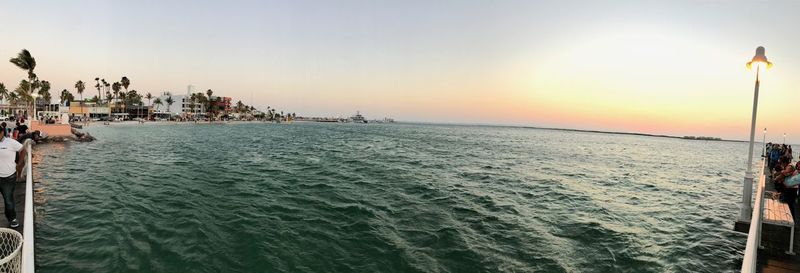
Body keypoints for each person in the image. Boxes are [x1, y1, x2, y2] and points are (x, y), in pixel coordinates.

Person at [0, 131, 27, 228]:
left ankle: (12, 218)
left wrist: (19, 163)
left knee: (8, 200)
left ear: (2, 132)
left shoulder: (10, 142)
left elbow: (23, 150)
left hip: (8, 177)